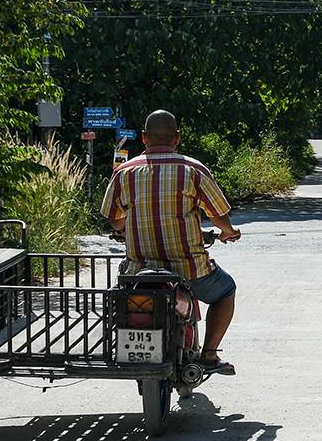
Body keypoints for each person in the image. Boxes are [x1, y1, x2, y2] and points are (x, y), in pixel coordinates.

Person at [101, 109, 242, 375]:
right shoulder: (193, 169)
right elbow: (219, 216)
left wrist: (125, 224)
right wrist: (228, 231)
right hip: (189, 272)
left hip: (138, 273)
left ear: (144, 138)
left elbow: (116, 222)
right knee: (226, 291)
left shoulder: (124, 172)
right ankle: (209, 356)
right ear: (177, 138)